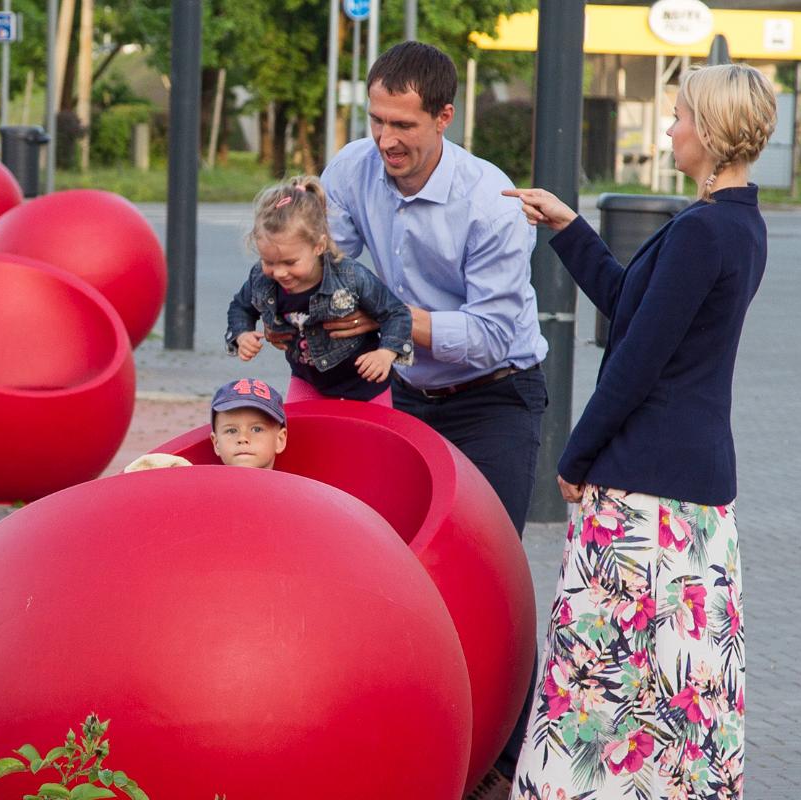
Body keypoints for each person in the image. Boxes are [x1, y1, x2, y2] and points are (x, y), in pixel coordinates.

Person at [500, 64, 773, 800]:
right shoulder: (739, 225)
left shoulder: (700, 232)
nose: (671, 127)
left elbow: (637, 361)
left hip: (644, 498)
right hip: (695, 497)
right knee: (678, 683)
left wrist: (577, 450)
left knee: (599, 682)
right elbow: (632, 304)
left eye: (680, 115)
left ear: (711, 132)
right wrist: (567, 226)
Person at [314, 40, 548, 793]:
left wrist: (380, 313)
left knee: (486, 580)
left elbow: (486, 335)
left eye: (403, 126)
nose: (386, 140)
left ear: (445, 117)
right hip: (407, 391)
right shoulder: (353, 168)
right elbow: (328, 264)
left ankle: (505, 762)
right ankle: (395, 735)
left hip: (495, 397)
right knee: (387, 570)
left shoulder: (491, 204)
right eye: (377, 119)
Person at [225, 177, 415, 408]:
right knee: (302, 437)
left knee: (369, 441)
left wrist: (386, 352)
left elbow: (396, 312)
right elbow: (241, 306)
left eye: (290, 262)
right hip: (308, 381)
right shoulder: (262, 278)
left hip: (365, 382)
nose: (280, 272)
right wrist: (242, 334)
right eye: (269, 261)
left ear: (319, 245)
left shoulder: (349, 276)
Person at [122, 378, 288, 472]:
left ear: (280, 440)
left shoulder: (292, 492)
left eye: (256, 429)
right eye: (231, 430)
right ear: (216, 443)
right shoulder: (204, 487)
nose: (243, 438)